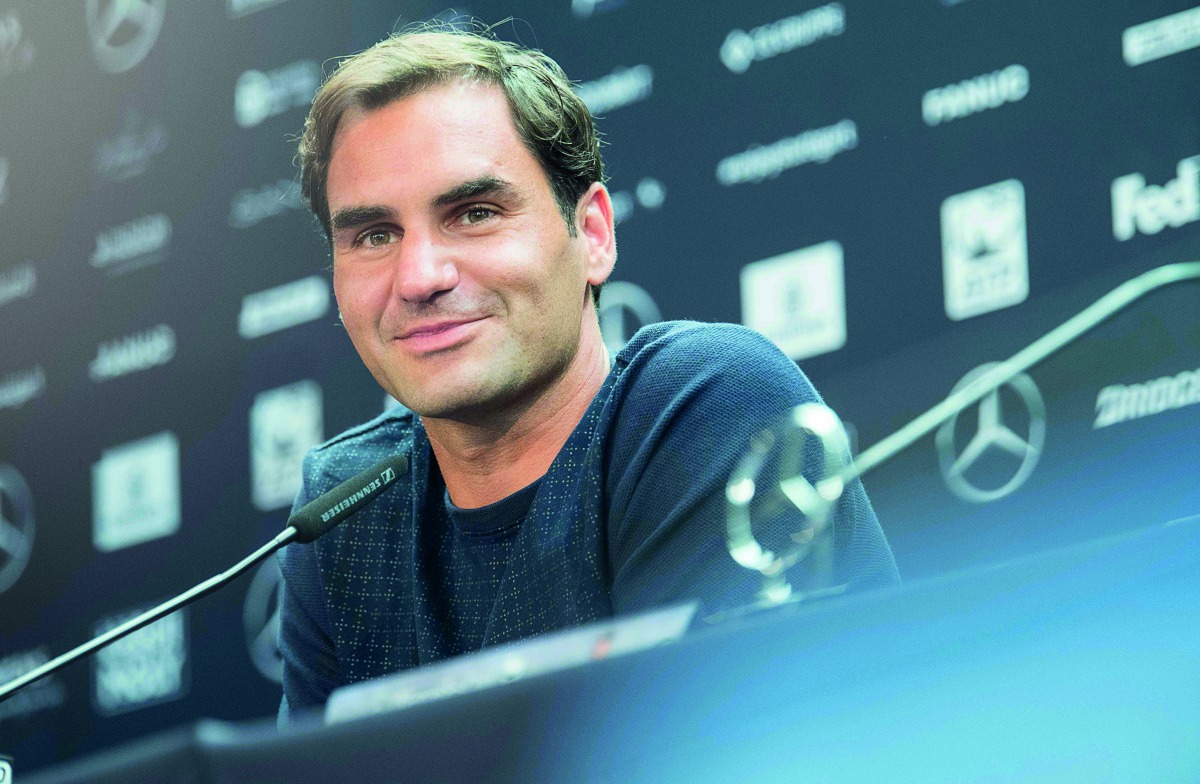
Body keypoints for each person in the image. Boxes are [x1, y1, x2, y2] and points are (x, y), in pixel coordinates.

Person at [277, 23, 899, 722]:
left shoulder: (705, 406)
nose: (419, 276)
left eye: (475, 213)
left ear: (593, 235)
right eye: (374, 235)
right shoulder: (346, 514)